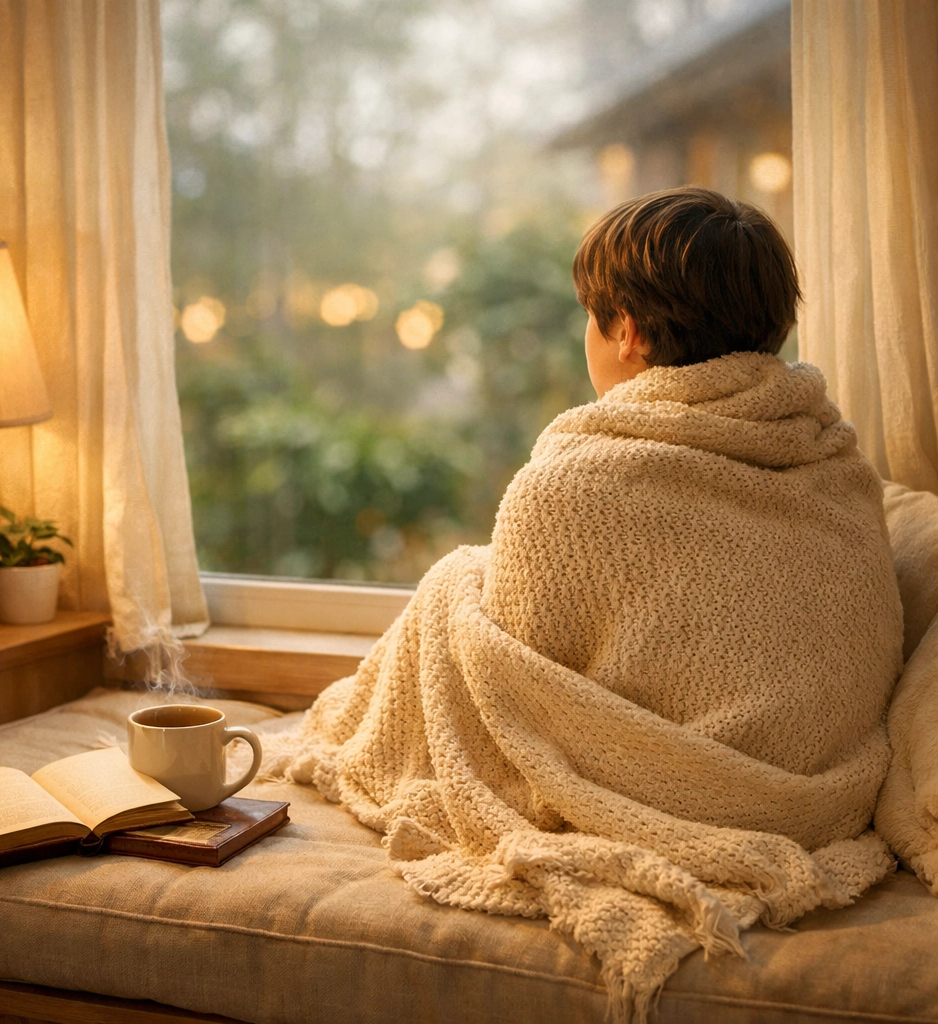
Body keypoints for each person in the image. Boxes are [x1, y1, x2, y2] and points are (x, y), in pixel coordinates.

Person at [267, 187, 904, 1022]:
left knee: (458, 582)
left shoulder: (571, 489)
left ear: (629, 331)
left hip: (672, 798)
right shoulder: (838, 469)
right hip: (818, 799)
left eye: (591, 317)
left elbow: (521, 702)